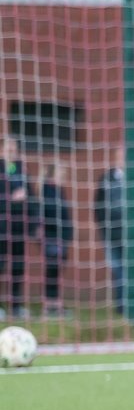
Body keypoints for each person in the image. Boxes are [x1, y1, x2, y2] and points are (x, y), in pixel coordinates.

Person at [94, 152, 134, 317]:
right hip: (113, 233)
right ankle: (122, 305)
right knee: (118, 269)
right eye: (121, 156)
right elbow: (98, 205)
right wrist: (104, 228)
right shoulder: (107, 178)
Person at [0, 137, 33, 320]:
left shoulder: (22, 169)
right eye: (8, 148)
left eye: (14, 148)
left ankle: (16, 306)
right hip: (1, 228)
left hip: (19, 227)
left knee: (17, 267)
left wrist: (34, 223)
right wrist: (11, 198)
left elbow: (31, 196)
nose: (12, 151)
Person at [39, 161, 74, 317]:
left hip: (61, 238)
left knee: (56, 271)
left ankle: (54, 304)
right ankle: (50, 306)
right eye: (61, 172)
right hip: (52, 237)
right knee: (52, 271)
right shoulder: (47, 190)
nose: (64, 175)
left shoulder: (58, 190)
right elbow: (48, 213)